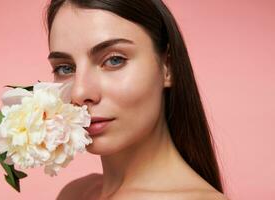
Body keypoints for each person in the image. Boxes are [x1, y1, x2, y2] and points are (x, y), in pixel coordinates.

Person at [46, 0, 228, 199]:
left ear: (168, 66)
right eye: (65, 68)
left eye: (114, 60)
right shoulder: (75, 194)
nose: (79, 93)